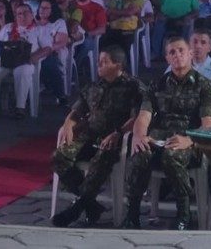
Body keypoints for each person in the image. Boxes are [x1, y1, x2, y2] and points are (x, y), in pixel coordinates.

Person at [121, 37, 211, 230]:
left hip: (188, 141)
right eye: (172, 52)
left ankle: (184, 213)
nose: (177, 55)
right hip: (159, 139)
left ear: (190, 54)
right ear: (167, 58)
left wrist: (188, 140)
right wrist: (139, 135)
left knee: (171, 156)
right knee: (139, 152)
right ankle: (132, 213)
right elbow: (143, 116)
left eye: (181, 50)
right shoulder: (157, 84)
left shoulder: (204, 86)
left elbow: (208, 125)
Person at [51, 46, 148, 227]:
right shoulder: (94, 87)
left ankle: (77, 209)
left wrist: (118, 133)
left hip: (115, 138)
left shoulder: (134, 87)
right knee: (59, 157)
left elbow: (138, 117)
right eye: (99, 61)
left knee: (101, 158)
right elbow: (76, 112)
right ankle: (91, 204)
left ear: (118, 65)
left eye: (104, 62)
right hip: (90, 136)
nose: (99, 65)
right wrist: (67, 126)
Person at [0, 3, 42, 119]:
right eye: (19, 14)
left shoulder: (38, 29)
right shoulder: (8, 27)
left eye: (25, 13)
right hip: (6, 60)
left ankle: (20, 107)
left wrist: (34, 57)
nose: (22, 16)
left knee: (22, 71)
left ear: (32, 15)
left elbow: (48, 48)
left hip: (26, 60)